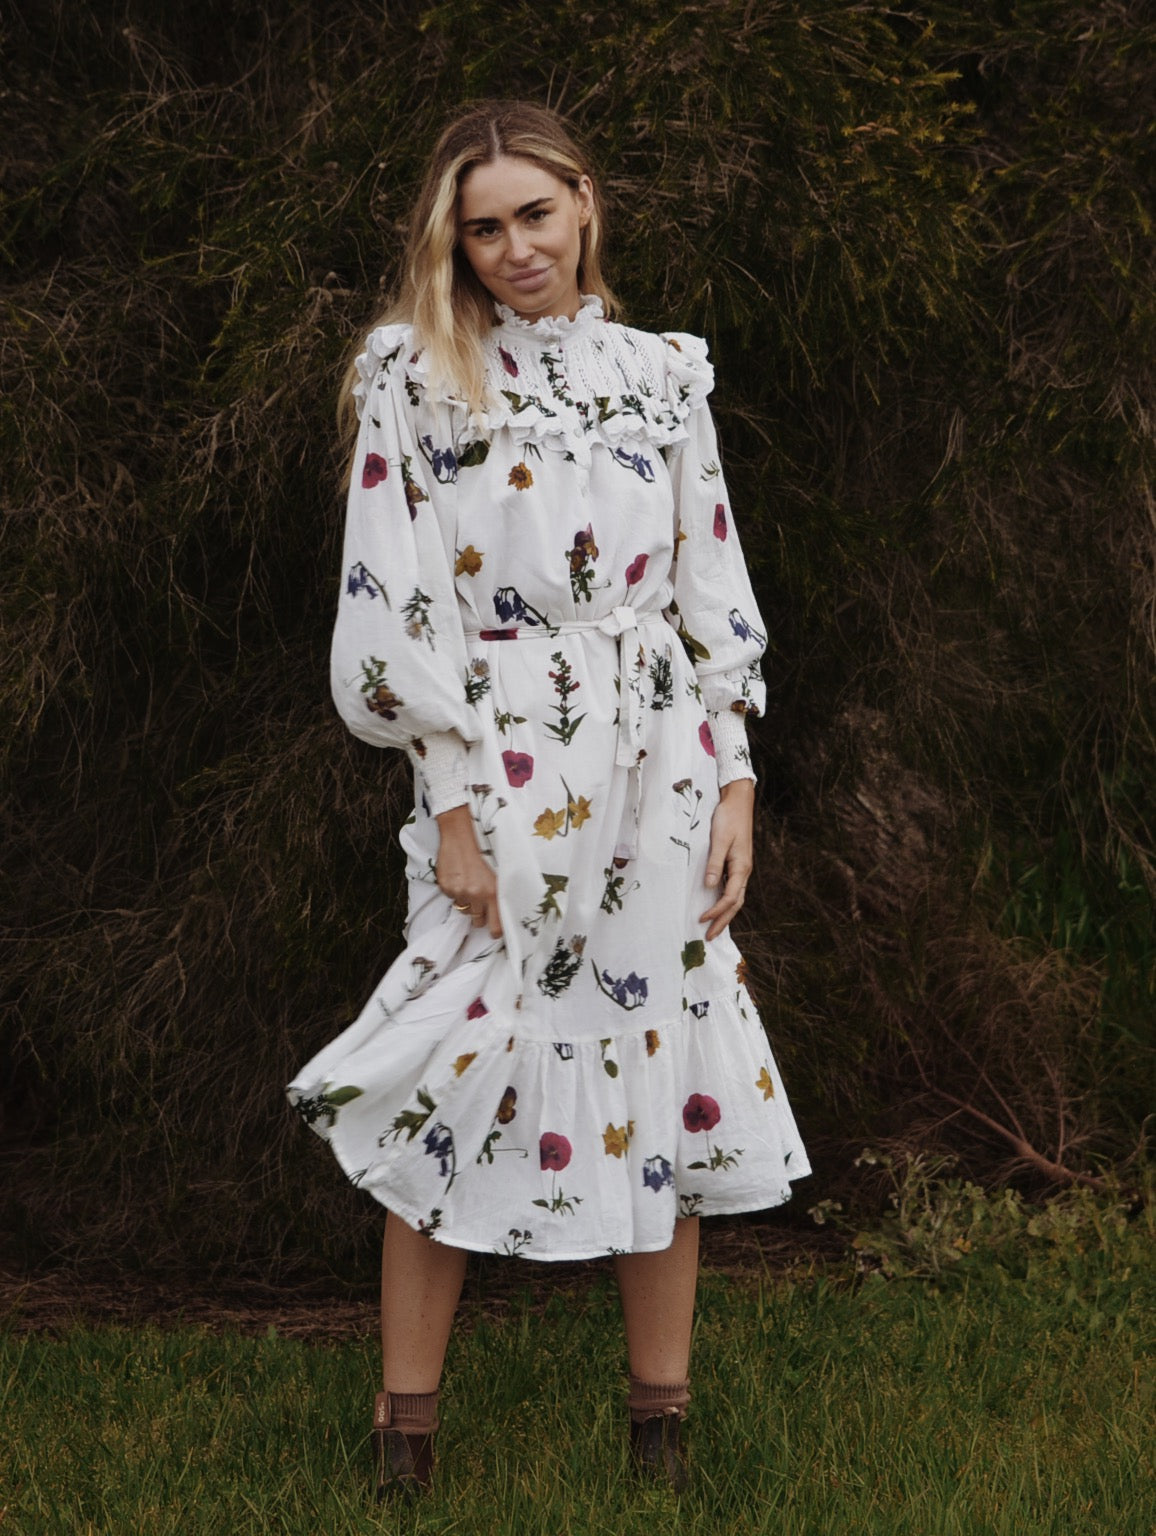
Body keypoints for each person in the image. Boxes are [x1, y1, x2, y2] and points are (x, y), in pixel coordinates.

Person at [288, 99, 810, 1500]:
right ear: (452, 243)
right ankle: (404, 1437)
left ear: (585, 203)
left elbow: (711, 580)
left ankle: (661, 1432)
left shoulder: (662, 374)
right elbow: (395, 605)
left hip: (660, 769)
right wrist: (455, 809)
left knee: (663, 1069)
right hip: (504, 761)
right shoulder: (415, 376)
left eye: (535, 213)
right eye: (483, 228)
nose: (516, 247)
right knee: (459, 1074)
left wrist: (737, 776)